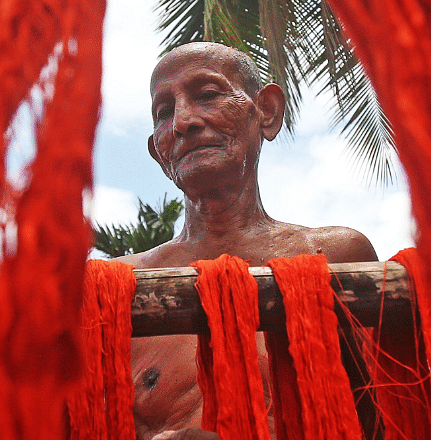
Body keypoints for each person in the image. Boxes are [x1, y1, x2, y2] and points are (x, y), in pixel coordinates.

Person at [114, 42, 378, 440]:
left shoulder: (336, 256)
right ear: (159, 152)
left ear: (267, 113)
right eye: (164, 112)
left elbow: (382, 420)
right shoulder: (118, 286)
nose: (183, 120)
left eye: (207, 95)